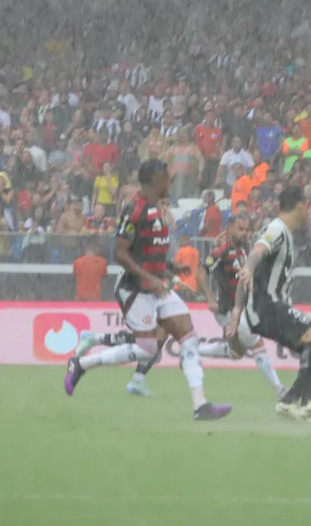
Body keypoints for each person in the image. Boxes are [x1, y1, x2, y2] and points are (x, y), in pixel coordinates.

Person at [64, 159, 231, 420]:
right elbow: (119, 254)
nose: (171, 180)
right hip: (134, 289)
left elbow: (144, 252)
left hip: (156, 286)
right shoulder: (135, 210)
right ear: (154, 180)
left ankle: (200, 405)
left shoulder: (156, 209)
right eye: (167, 176)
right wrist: (150, 279)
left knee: (188, 336)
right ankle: (82, 363)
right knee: (146, 349)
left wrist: (168, 269)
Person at [228, 184, 311, 420]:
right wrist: (248, 266)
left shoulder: (285, 232)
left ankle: (292, 401)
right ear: (300, 207)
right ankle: (305, 401)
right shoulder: (276, 229)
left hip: (274, 306)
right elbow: (258, 250)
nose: (307, 212)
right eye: (306, 207)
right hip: (269, 306)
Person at [195, 214, 285, 398]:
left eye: (246, 230)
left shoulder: (243, 249)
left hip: (239, 308)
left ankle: (192, 352)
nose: (244, 233)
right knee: (257, 345)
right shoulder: (221, 252)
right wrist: (210, 298)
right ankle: (282, 392)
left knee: (236, 353)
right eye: (240, 229)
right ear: (229, 229)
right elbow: (200, 273)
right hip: (228, 309)